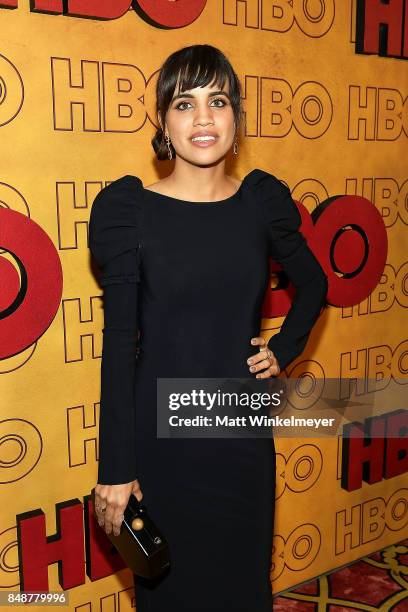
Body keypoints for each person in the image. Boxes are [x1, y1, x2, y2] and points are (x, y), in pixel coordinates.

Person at [89, 44, 327, 612]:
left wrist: (284, 350)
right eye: (183, 103)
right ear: (163, 123)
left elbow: (314, 286)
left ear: (237, 119)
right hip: (160, 443)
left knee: (244, 588)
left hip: (238, 435)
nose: (202, 118)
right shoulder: (130, 212)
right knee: (168, 593)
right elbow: (121, 346)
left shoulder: (260, 204)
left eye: (217, 101)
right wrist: (116, 471)